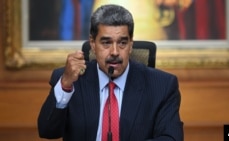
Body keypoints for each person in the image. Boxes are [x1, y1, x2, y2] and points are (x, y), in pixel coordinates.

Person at [37, 4, 183, 141]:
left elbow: (171, 138)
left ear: (131, 45)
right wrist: (65, 85)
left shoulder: (162, 86)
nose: (114, 52)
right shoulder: (71, 81)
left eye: (122, 43)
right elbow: (47, 131)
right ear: (93, 44)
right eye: (106, 43)